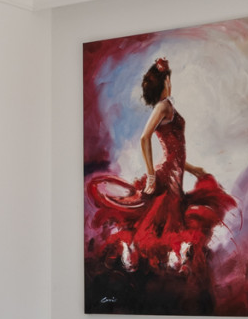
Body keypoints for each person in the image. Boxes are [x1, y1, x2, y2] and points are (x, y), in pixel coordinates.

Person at [86, 56, 237, 273]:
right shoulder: (163, 106)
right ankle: (136, 250)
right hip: (167, 176)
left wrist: (192, 169)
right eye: (169, 79)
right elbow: (144, 138)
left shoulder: (166, 106)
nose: (170, 83)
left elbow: (174, 151)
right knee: (164, 226)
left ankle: (150, 255)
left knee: (166, 223)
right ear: (166, 81)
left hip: (174, 174)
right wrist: (151, 176)